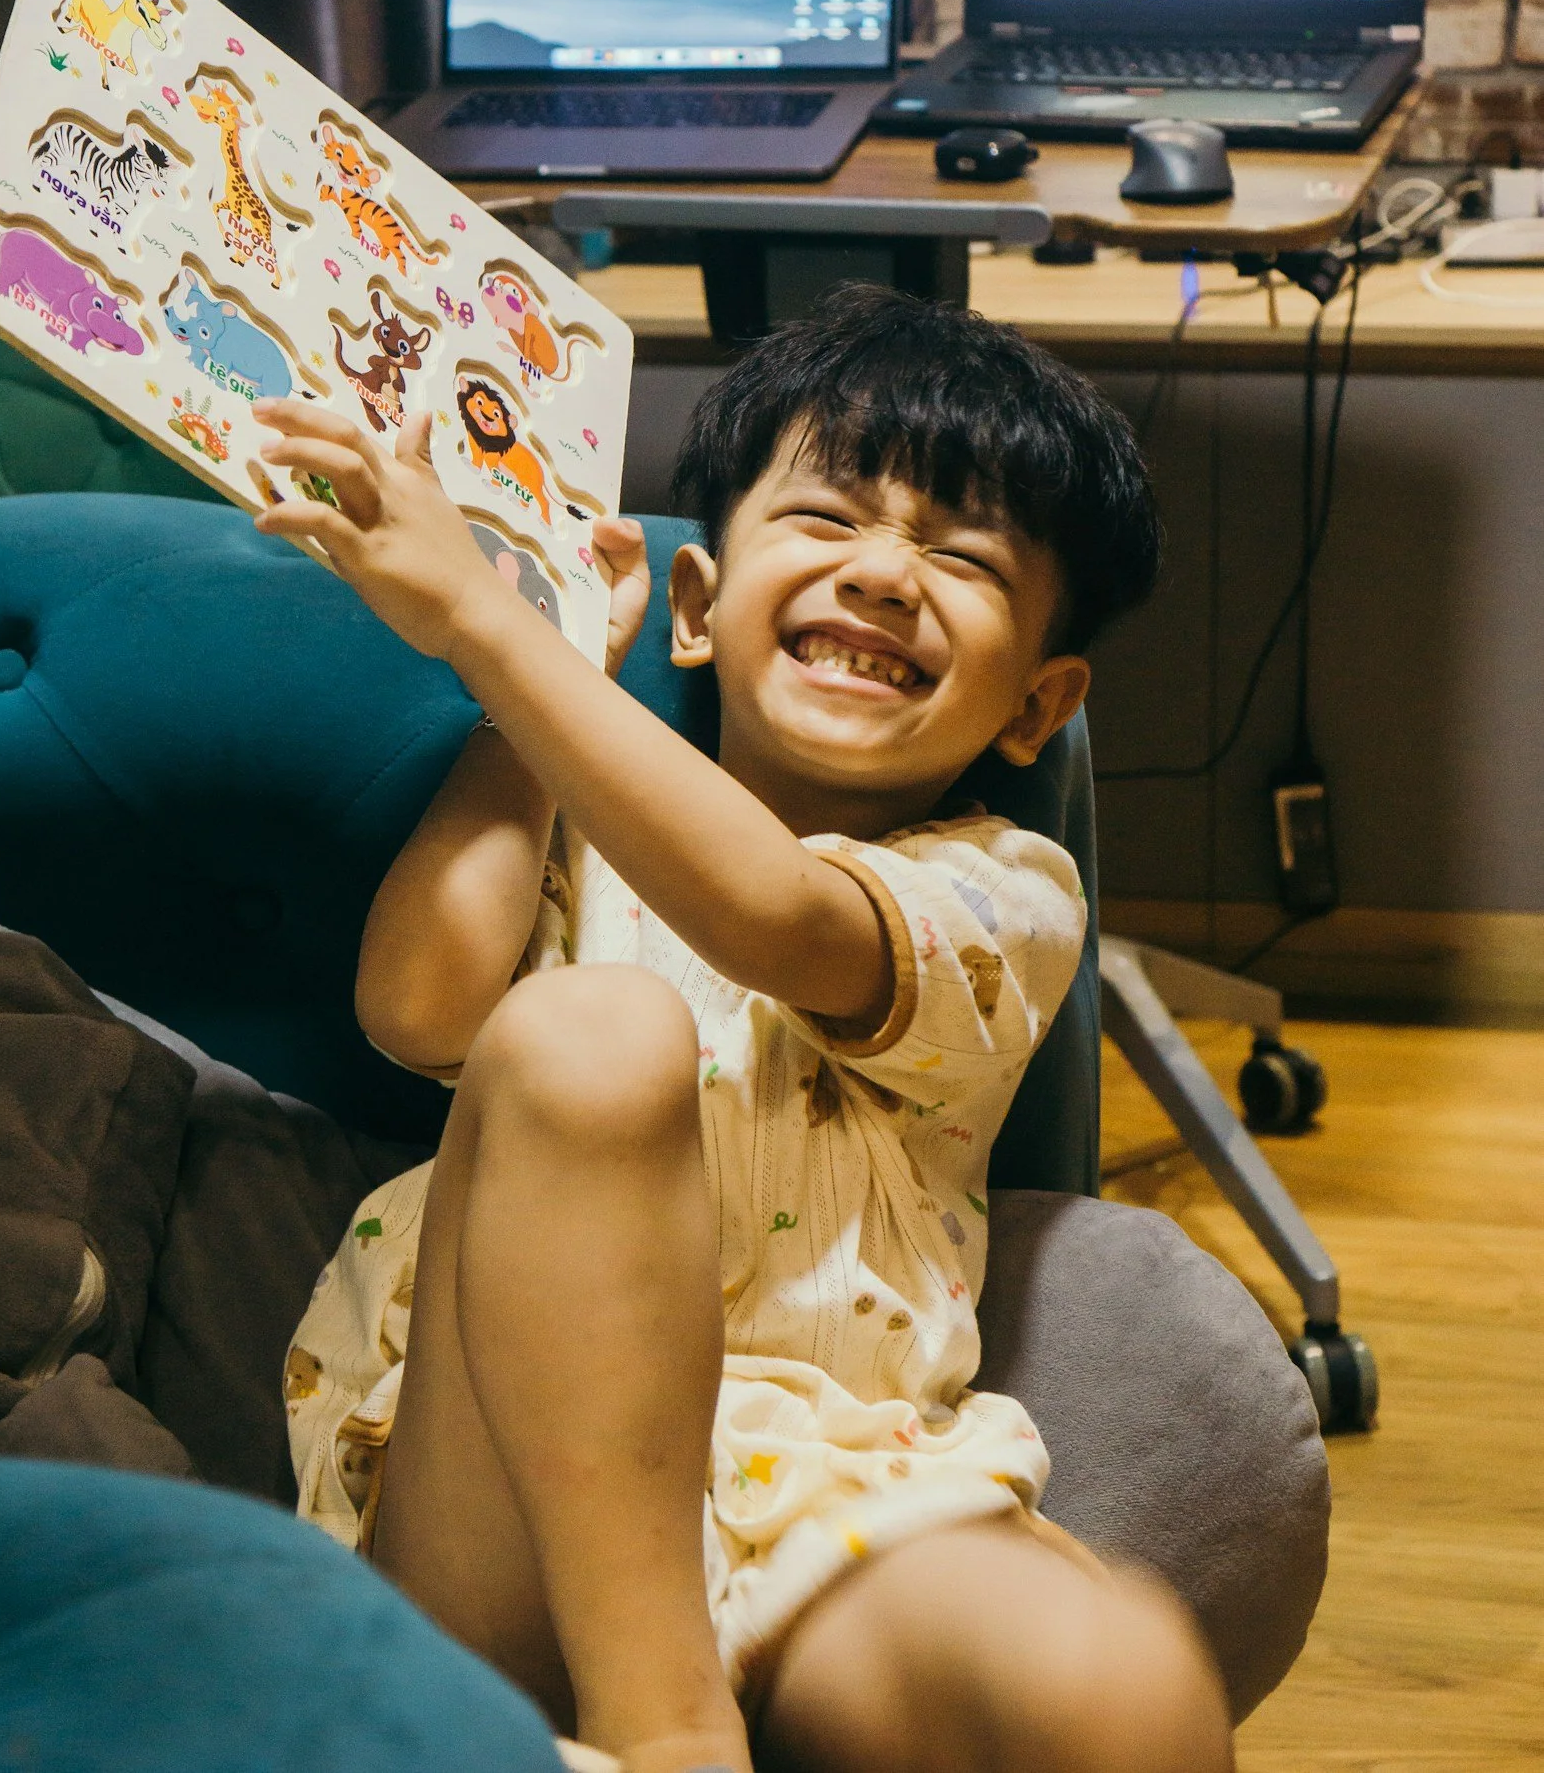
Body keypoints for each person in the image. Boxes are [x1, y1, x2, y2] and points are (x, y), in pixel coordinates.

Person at [252, 286, 1231, 1773]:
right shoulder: (558, 816)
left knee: (1116, 1684)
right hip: (505, 1497)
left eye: (962, 558)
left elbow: (772, 912)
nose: (884, 574)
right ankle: (665, 1732)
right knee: (589, 1036)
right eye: (829, 519)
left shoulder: (1004, 891)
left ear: (1038, 706)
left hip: (831, 1490)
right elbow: (415, 1007)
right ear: (697, 608)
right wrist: (531, 696)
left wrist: (487, 631)